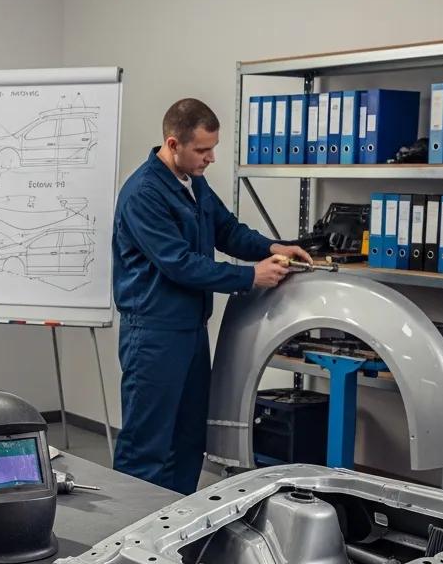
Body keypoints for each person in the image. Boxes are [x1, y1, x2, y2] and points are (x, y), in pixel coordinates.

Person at [112, 98, 311, 494]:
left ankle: (173, 530)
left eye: (212, 148)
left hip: (190, 330)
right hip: (153, 334)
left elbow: (228, 231)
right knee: (147, 446)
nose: (211, 158)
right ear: (173, 144)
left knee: (188, 441)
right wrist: (250, 275)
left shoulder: (193, 183)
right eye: (202, 150)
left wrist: (273, 248)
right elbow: (180, 264)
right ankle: (125, 541)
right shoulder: (144, 194)